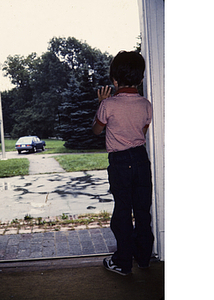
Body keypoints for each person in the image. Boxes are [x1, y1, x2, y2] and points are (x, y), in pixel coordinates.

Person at [92, 51, 154, 276]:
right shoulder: (146, 104)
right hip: (140, 160)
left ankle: (123, 263)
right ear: (140, 79)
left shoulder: (108, 105)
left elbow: (97, 129)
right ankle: (144, 258)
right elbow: (142, 131)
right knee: (142, 211)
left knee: (122, 212)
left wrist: (101, 105)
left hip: (120, 162)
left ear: (115, 80)